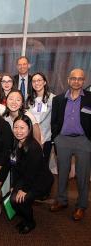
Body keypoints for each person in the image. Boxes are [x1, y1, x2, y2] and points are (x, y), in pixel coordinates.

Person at [50, 68, 91, 221]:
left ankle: (81, 206)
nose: (76, 81)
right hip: (63, 140)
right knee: (62, 173)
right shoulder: (59, 99)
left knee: (82, 175)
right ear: (68, 80)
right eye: (73, 78)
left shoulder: (90, 99)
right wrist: (56, 137)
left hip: (83, 141)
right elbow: (54, 121)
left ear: (83, 81)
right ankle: (61, 201)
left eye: (80, 78)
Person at [10, 115, 53, 234]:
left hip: (39, 181)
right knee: (13, 199)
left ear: (29, 129)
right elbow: (14, 167)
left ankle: (30, 222)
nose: (18, 131)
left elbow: (33, 172)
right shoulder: (16, 144)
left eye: (22, 128)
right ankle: (25, 218)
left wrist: (23, 189)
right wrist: (14, 185)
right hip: (25, 177)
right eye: (16, 127)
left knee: (21, 199)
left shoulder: (33, 147)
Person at [26, 72, 55, 166]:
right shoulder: (29, 98)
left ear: (45, 82)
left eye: (39, 80)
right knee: (31, 163)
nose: (36, 83)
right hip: (31, 137)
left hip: (46, 137)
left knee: (43, 164)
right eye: (34, 81)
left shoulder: (52, 98)